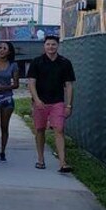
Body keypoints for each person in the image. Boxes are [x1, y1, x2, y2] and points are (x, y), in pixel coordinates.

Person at [27, 35, 76, 173]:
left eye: (53, 44)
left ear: (58, 46)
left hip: (58, 102)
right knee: (40, 130)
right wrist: (36, 100)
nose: (50, 47)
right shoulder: (37, 62)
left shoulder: (65, 63)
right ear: (44, 46)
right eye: (48, 44)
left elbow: (69, 85)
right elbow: (31, 82)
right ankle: (41, 159)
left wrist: (69, 105)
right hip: (40, 102)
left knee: (59, 129)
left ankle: (62, 162)